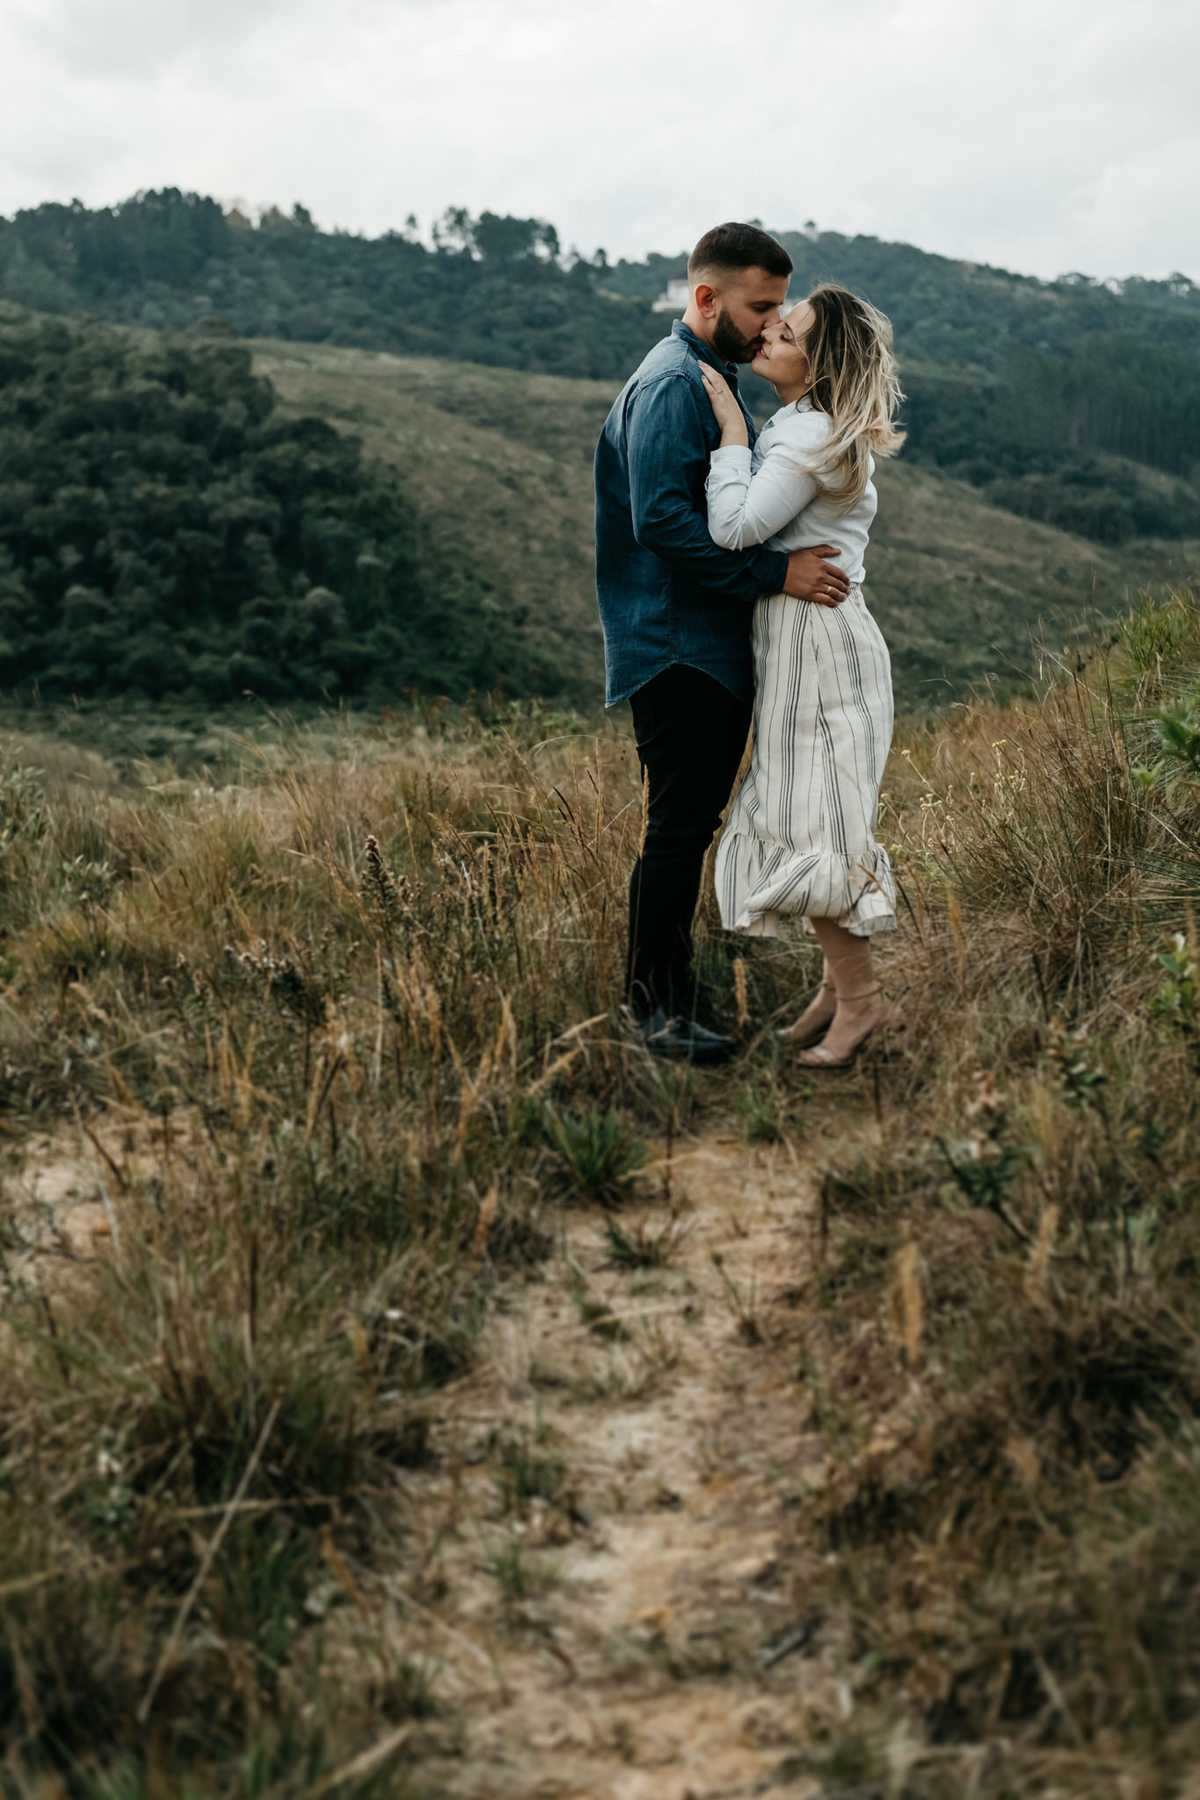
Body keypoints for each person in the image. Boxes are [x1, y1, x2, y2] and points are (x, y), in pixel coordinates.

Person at [594, 223, 851, 1064]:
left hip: (697, 643)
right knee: (677, 831)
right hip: (679, 645)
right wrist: (774, 579)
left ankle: (670, 993)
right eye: (760, 307)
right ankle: (652, 1014)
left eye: (781, 307)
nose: (771, 323)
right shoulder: (674, 384)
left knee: (686, 828)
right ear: (706, 299)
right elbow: (662, 524)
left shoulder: (707, 375)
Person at [699, 284, 904, 1067]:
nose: (770, 336)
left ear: (818, 365)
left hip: (818, 647)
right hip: (807, 641)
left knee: (814, 824)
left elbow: (735, 528)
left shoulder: (807, 435)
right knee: (804, 810)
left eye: (788, 331)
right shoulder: (804, 426)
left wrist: (727, 434)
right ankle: (835, 990)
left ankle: (862, 1003)